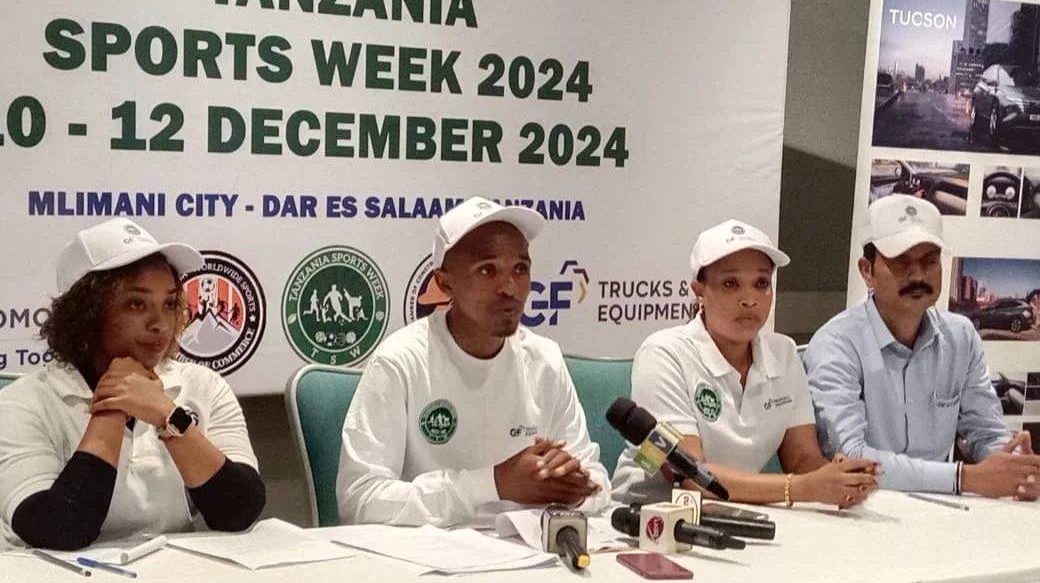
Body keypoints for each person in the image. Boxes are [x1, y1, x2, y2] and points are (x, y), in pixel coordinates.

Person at [337, 197, 609, 527]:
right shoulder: (400, 361)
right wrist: (493, 483)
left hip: (530, 556)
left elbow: (598, 485)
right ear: (444, 281)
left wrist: (576, 488)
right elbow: (359, 500)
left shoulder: (545, 360)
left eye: (520, 269)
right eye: (487, 270)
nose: (509, 288)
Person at [0, 218, 265, 551]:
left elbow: (239, 512)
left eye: (169, 304)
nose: (159, 323)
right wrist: (114, 404)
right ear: (85, 315)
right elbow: (60, 529)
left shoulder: (204, 386)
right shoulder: (21, 403)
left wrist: (169, 416)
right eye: (137, 304)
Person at [612, 220, 878, 508]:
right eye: (730, 284)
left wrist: (836, 477)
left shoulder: (784, 353)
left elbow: (802, 459)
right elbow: (689, 474)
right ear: (699, 291)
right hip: (645, 517)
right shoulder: (664, 353)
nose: (749, 299)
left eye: (761, 283)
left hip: (738, 512)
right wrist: (801, 487)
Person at [807, 195, 1040, 499]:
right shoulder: (836, 343)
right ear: (867, 271)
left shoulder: (961, 337)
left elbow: (986, 433)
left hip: (944, 513)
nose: (918, 275)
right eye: (901, 262)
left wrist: (1014, 468)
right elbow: (853, 458)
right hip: (861, 510)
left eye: (930, 261)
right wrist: (963, 478)